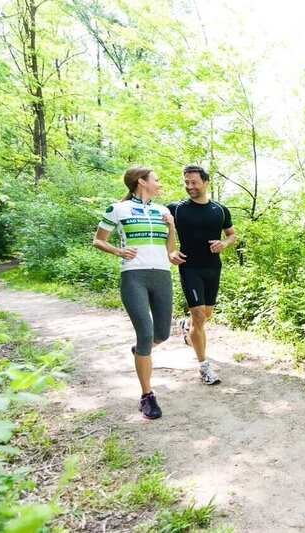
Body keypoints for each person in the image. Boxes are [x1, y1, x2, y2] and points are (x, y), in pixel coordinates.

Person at [92, 166, 176, 420]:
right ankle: (147, 396)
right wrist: (118, 252)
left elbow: (170, 250)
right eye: (156, 180)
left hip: (161, 274)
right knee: (146, 333)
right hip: (134, 276)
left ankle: (141, 351)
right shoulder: (117, 209)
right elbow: (99, 240)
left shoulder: (163, 211)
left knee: (162, 334)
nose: (159, 184)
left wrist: (171, 227)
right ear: (142, 182)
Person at [167, 165, 235, 385]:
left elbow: (231, 235)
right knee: (199, 316)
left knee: (206, 315)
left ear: (206, 182)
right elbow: (159, 234)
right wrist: (170, 252)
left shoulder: (220, 210)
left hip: (213, 267)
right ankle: (204, 367)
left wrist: (223, 244)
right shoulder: (175, 209)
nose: (190, 187)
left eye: (194, 182)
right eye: (187, 182)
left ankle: (187, 328)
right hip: (189, 267)